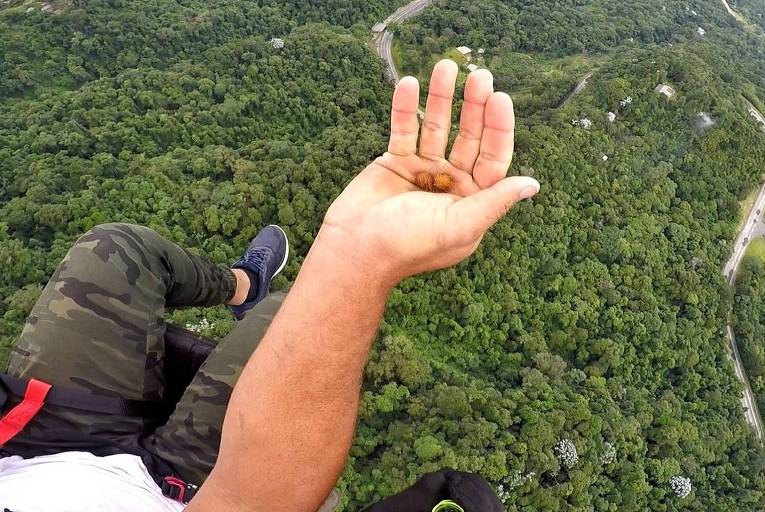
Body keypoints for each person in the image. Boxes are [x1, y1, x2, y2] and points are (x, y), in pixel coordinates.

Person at [0, 60, 539, 511]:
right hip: (186, 493)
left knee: (117, 249)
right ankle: (258, 295)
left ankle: (241, 284)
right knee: (288, 314)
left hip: (35, 444)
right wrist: (355, 258)